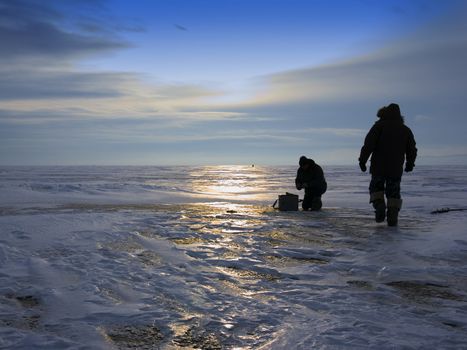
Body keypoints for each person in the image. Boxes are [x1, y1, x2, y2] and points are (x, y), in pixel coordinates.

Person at [359, 103, 417, 226]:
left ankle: (379, 205)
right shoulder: (405, 129)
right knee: (393, 193)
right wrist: (410, 163)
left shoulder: (379, 126)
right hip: (395, 168)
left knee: (376, 189)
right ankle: (392, 216)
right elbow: (412, 149)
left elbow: (368, 144)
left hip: (378, 167)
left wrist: (362, 160)